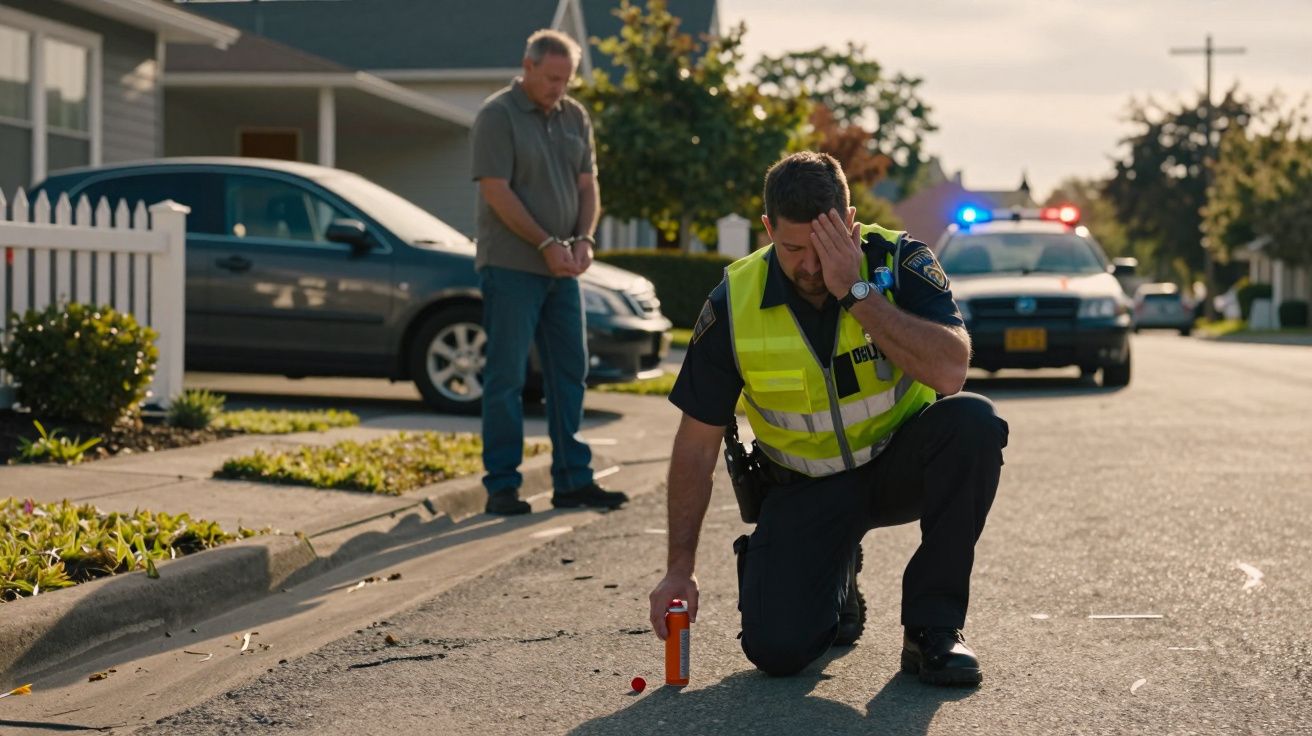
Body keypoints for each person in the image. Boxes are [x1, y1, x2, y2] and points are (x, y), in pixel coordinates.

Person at [647, 152, 1008, 685]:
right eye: (793, 249)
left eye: (825, 247)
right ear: (768, 229)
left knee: (972, 424)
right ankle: (838, 578)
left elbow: (951, 371)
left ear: (851, 222)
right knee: (777, 652)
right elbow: (696, 445)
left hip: (896, 467)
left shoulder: (897, 260)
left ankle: (933, 629)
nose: (811, 267)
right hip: (805, 489)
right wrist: (680, 566)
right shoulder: (734, 300)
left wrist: (855, 292)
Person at [471, 29, 628, 516]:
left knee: (569, 372)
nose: (559, 88)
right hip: (512, 266)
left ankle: (573, 481)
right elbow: (496, 191)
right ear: (528, 65)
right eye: (552, 78)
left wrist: (583, 239)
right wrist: (543, 243)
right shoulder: (497, 115)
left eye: (567, 79)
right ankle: (502, 486)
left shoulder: (575, 116)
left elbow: (588, 185)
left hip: (564, 268)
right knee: (507, 378)